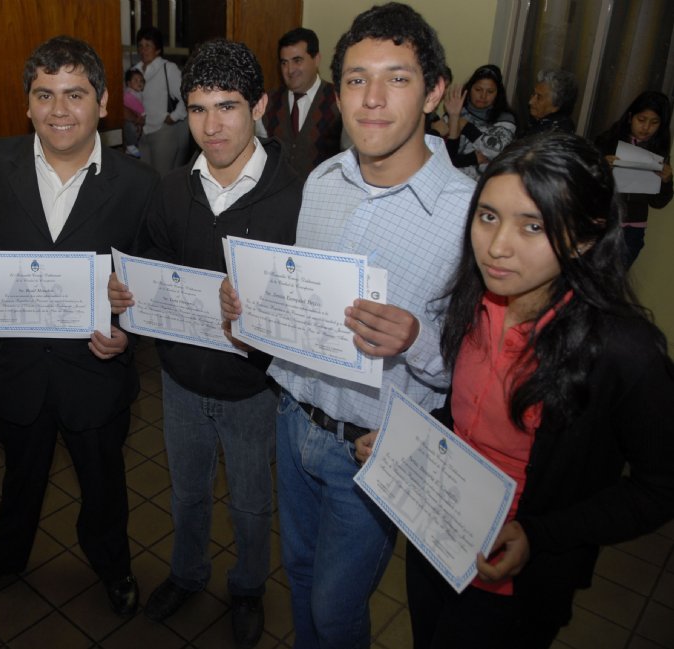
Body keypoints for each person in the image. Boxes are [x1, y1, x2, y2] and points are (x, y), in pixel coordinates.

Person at [221, 4, 475, 647]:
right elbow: (308, 307)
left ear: (435, 91)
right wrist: (255, 315)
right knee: (300, 578)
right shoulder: (323, 182)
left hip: (374, 446)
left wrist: (416, 340)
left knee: (337, 610)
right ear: (339, 94)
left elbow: (481, 369)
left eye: (398, 78)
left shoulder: (470, 214)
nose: (373, 98)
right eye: (358, 79)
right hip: (294, 418)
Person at [402, 131, 674, 649]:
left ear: (586, 236)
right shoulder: (473, 300)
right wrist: (408, 441)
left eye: (534, 226)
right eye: (488, 217)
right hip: (437, 541)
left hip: (514, 585)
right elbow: (468, 421)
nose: (497, 246)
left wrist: (540, 535)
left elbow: (659, 487)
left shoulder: (624, 352)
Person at [0, 36, 159, 616]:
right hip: (19, 369)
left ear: (102, 102)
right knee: (19, 480)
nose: (59, 110)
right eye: (44, 95)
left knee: (104, 486)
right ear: (27, 103)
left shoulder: (138, 184)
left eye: (75, 94)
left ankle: (113, 565)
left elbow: (150, 280)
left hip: (95, 371)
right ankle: (6, 556)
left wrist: (128, 332)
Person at [110, 39, 301, 649]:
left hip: (253, 387)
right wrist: (127, 291)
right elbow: (151, 262)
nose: (211, 126)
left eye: (227, 107)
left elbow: (308, 303)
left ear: (259, 106)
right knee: (187, 493)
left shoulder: (297, 194)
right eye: (197, 109)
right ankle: (188, 574)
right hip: (181, 380)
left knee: (250, 503)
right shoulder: (171, 188)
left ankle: (247, 588)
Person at [594, 91, 673, 267]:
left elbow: (658, 202)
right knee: (589, 274)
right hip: (604, 222)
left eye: (654, 123)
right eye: (641, 119)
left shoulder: (658, 151)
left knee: (614, 278)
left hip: (633, 230)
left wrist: (667, 182)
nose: (646, 128)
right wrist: (601, 167)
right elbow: (587, 184)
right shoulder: (608, 141)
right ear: (630, 117)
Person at [259, 27, 343, 179]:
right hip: (280, 192)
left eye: (297, 61)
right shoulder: (267, 103)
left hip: (324, 191)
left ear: (316, 59)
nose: (290, 70)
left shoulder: (339, 101)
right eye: (284, 63)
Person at [441, 64, 516, 178]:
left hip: (483, 183)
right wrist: (472, 158)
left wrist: (465, 126)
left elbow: (495, 152)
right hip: (449, 177)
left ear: (498, 94)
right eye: (478, 90)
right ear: (469, 89)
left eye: (490, 91)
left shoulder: (505, 119)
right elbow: (442, 156)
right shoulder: (455, 111)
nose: (483, 96)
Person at [134, 25, 192, 174]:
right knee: (146, 177)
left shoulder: (168, 68)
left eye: (148, 45)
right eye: (140, 46)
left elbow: (186, 96)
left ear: (158, 49)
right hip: (142, 132)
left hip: (163, 132)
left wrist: (174, 117)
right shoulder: (135, 71)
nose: (143, 50)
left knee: (163, 177)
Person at [519, 68, 577, 137]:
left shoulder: (553, 135)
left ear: (556, 105)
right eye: (533, 94)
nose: (530, 102)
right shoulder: (539, 125)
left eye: (539, 97)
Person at [123, 67, 146, 158]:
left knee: (135, 131)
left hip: (134, 118)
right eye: (136, 80)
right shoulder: (129, 93)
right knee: (131, 129)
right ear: (129, 83)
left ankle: (131, 147)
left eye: (141, 81)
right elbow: (136, 105)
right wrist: (143, 113)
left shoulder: (136, 93)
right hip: (129, 120)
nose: (139, 83)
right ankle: (130, 146)